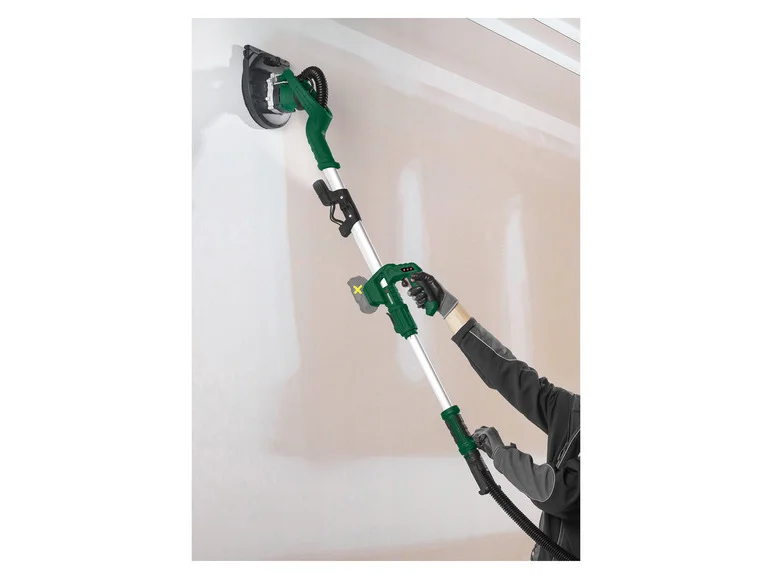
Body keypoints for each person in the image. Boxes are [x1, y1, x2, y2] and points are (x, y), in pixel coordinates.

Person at [408, 272, 580, 561]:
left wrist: (501, 454)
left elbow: (559, 495)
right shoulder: (575, 412)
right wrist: (446, 305)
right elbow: (509, 374)